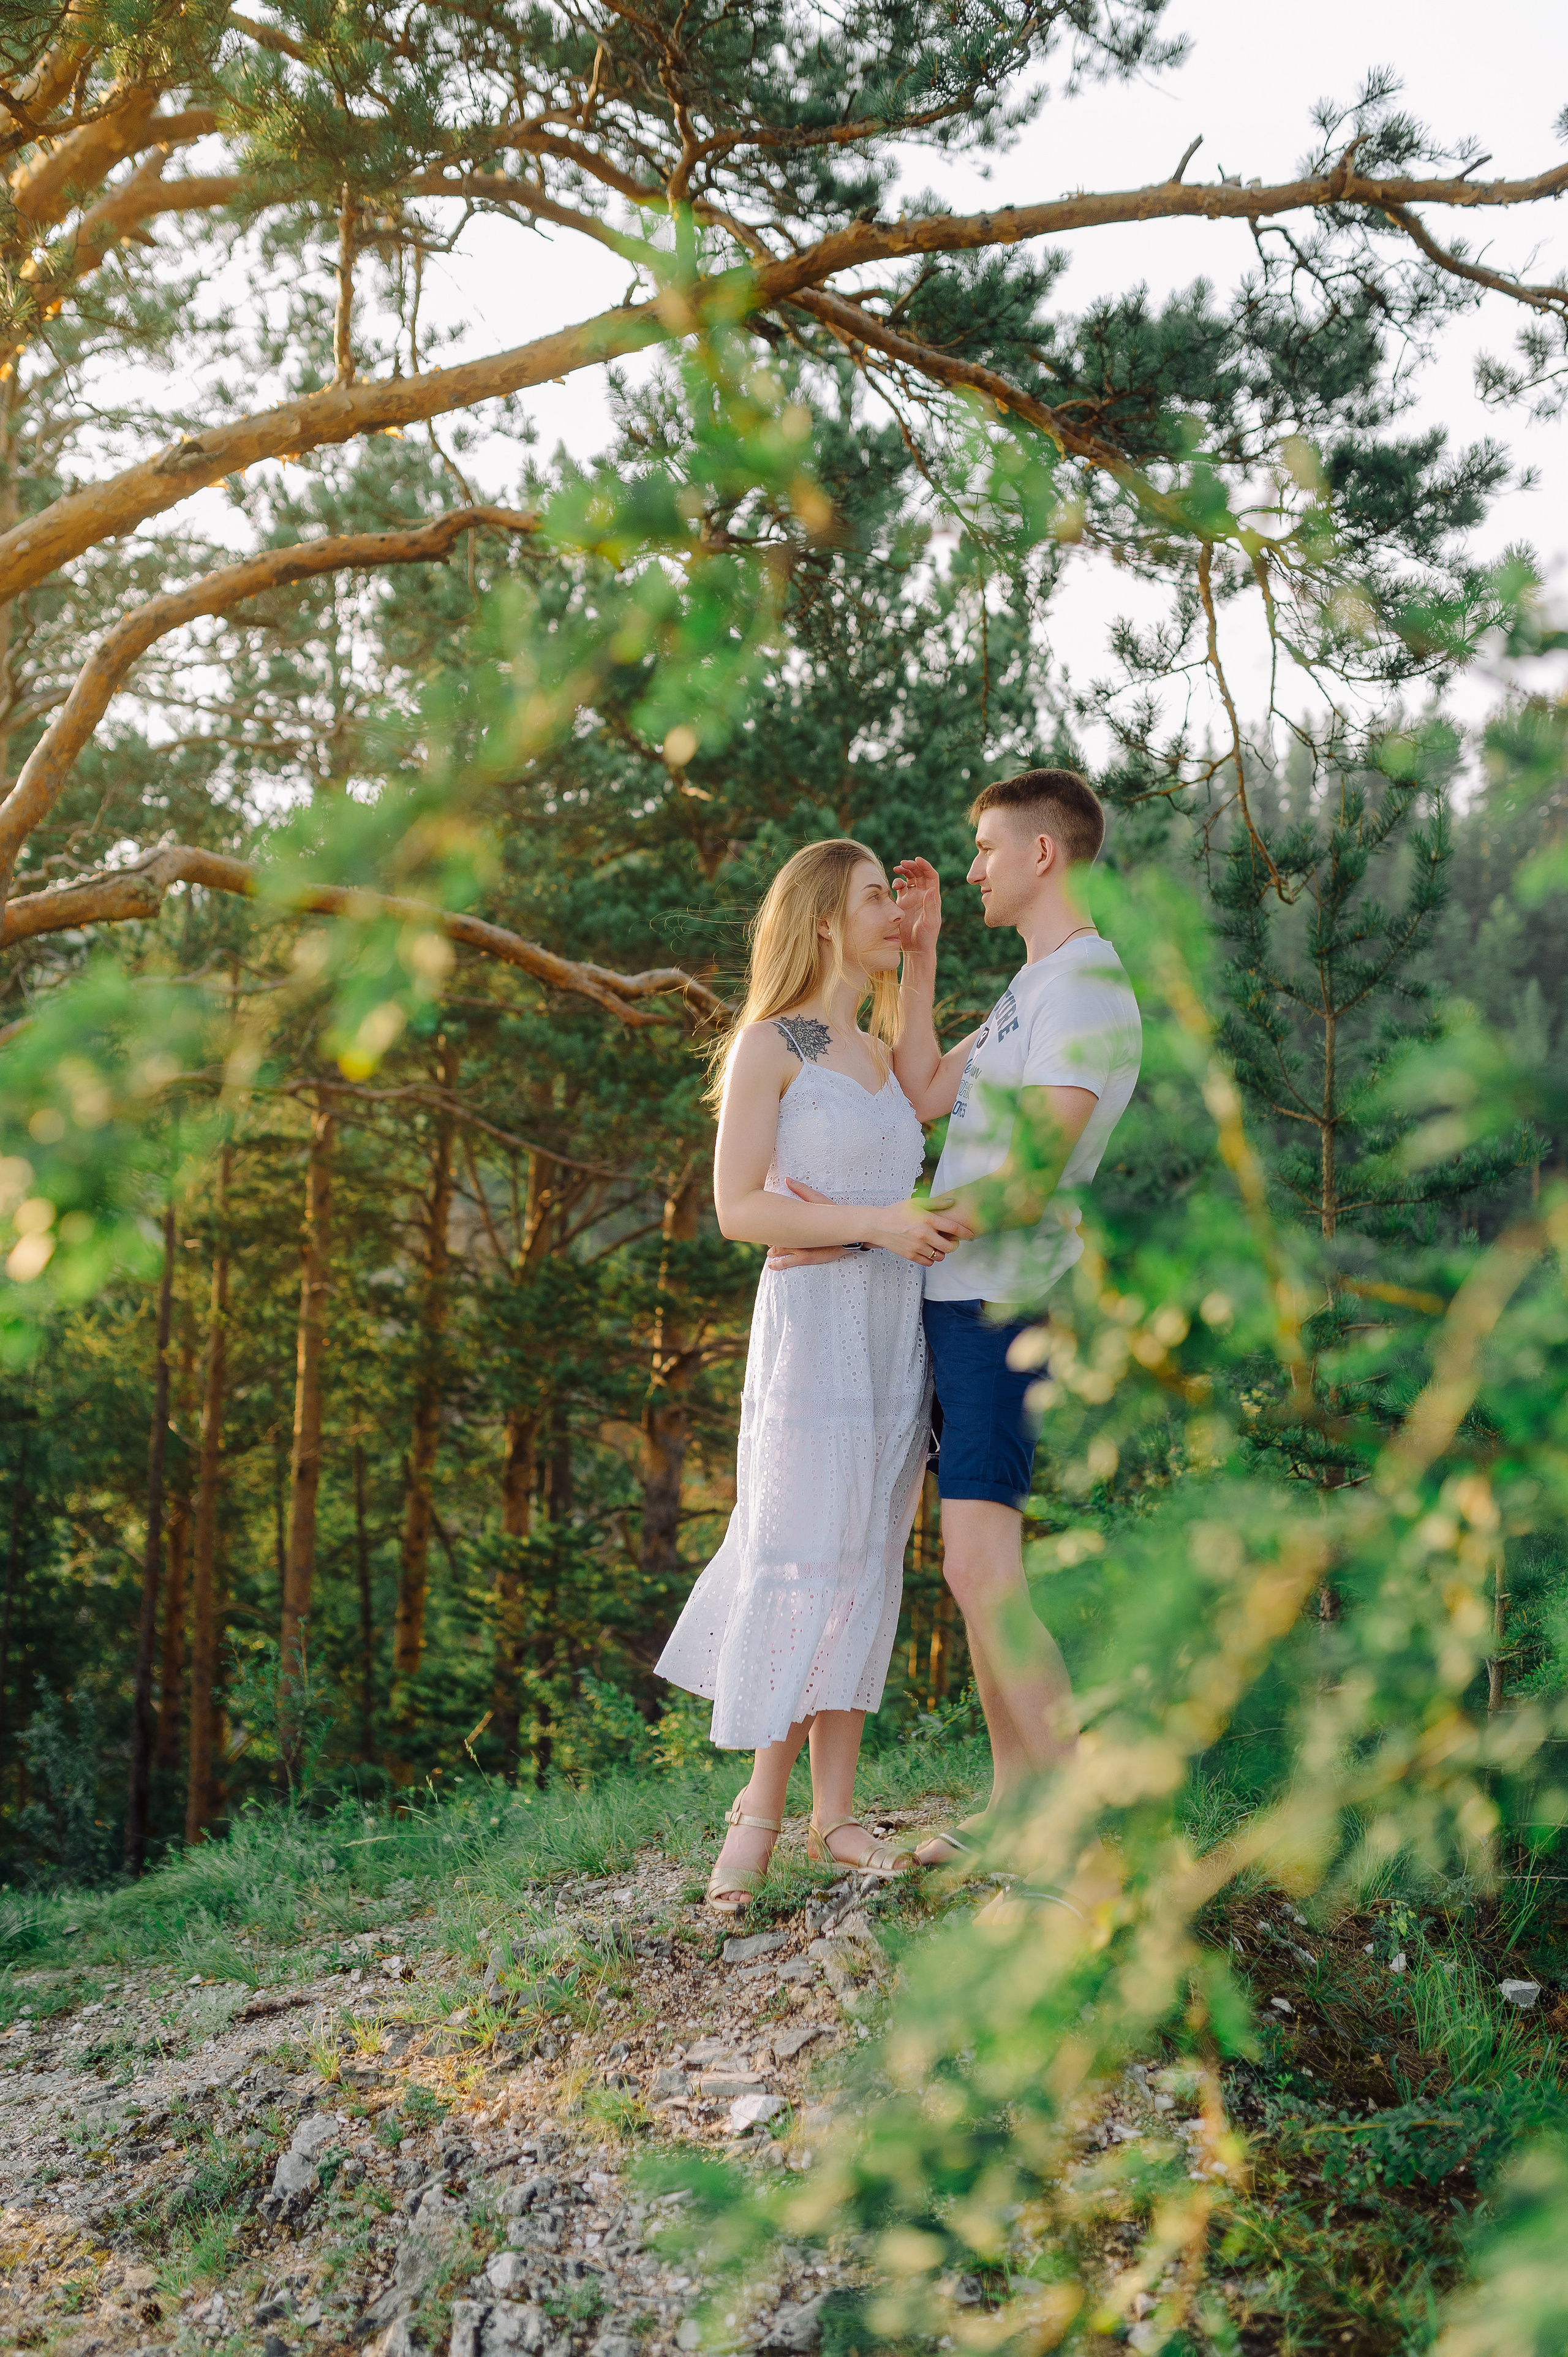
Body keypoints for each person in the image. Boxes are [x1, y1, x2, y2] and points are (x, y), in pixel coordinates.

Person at [774, 770, 1140, 1866]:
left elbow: (1031, 1180)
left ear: (1042, 857)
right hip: (956, 1298)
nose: (969, 868)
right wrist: (922, 957)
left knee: (985, 1571)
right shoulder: (1036, 989)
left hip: (997, 1301)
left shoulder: (1084, 992)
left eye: (984, 849)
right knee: (969, 1571)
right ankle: (1018, 1806)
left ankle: (1077, 1822)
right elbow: (928, 1085)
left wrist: (880, 1226)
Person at [655, 838, 967, 1916]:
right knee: (798, 1549)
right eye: (879, 897)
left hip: (893, 1331)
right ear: (826, 915)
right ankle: (758, 1812)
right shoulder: (773, 1042)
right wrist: (874, 1223)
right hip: (813, 1324)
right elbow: (742, 1208)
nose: (893, 908)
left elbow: (935, 1083)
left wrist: (924, 961)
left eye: (896, 896)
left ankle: (837, 1821)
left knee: (868, 1557)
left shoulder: (881, 1054)